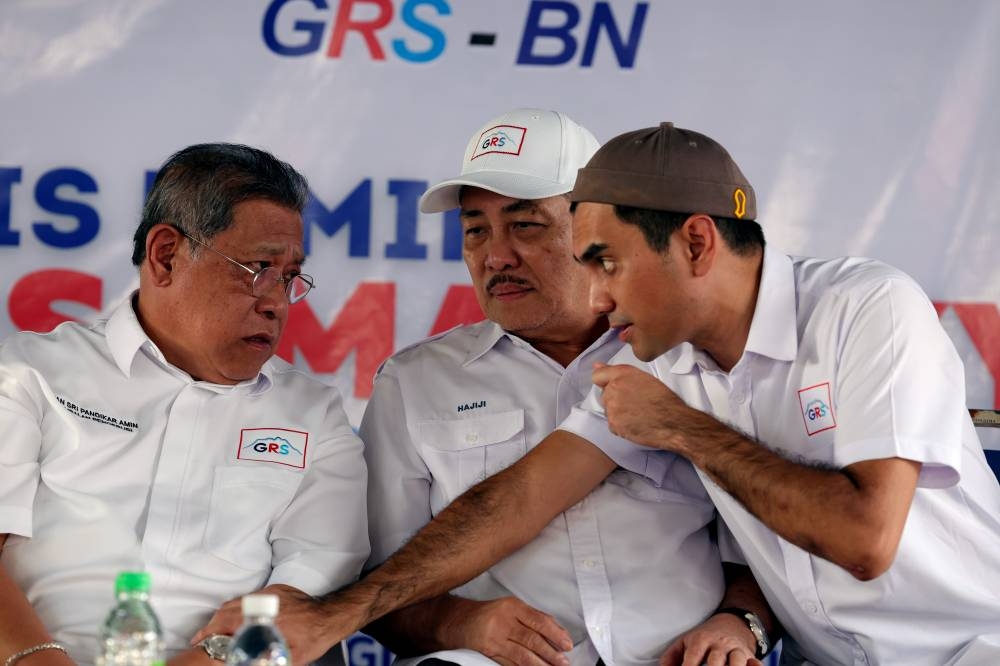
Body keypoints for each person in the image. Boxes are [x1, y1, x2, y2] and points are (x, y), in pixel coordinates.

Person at [197, 112, 777, 666]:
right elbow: (377, 591)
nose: (496, 256)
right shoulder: (415, 381)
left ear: (596, 227)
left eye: (525, 225)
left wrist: (738, 622)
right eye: (475, 231)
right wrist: (462, 623)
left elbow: (777, 542)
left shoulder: (685, 356)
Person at [557, 122, 1000, 665]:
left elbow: (864, 542)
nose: (597, 298)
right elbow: (528, 493)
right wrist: (742, 623)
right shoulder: (657, 356)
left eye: (608, 263)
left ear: (696, 244)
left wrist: (681, 427)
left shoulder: (868, 308)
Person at [0, 143, 369, 666]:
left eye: (289, 278)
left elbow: (303, 599)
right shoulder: (29, 374)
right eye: (259, 267)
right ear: (166, 255)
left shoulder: (315, 416)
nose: (278, 302)